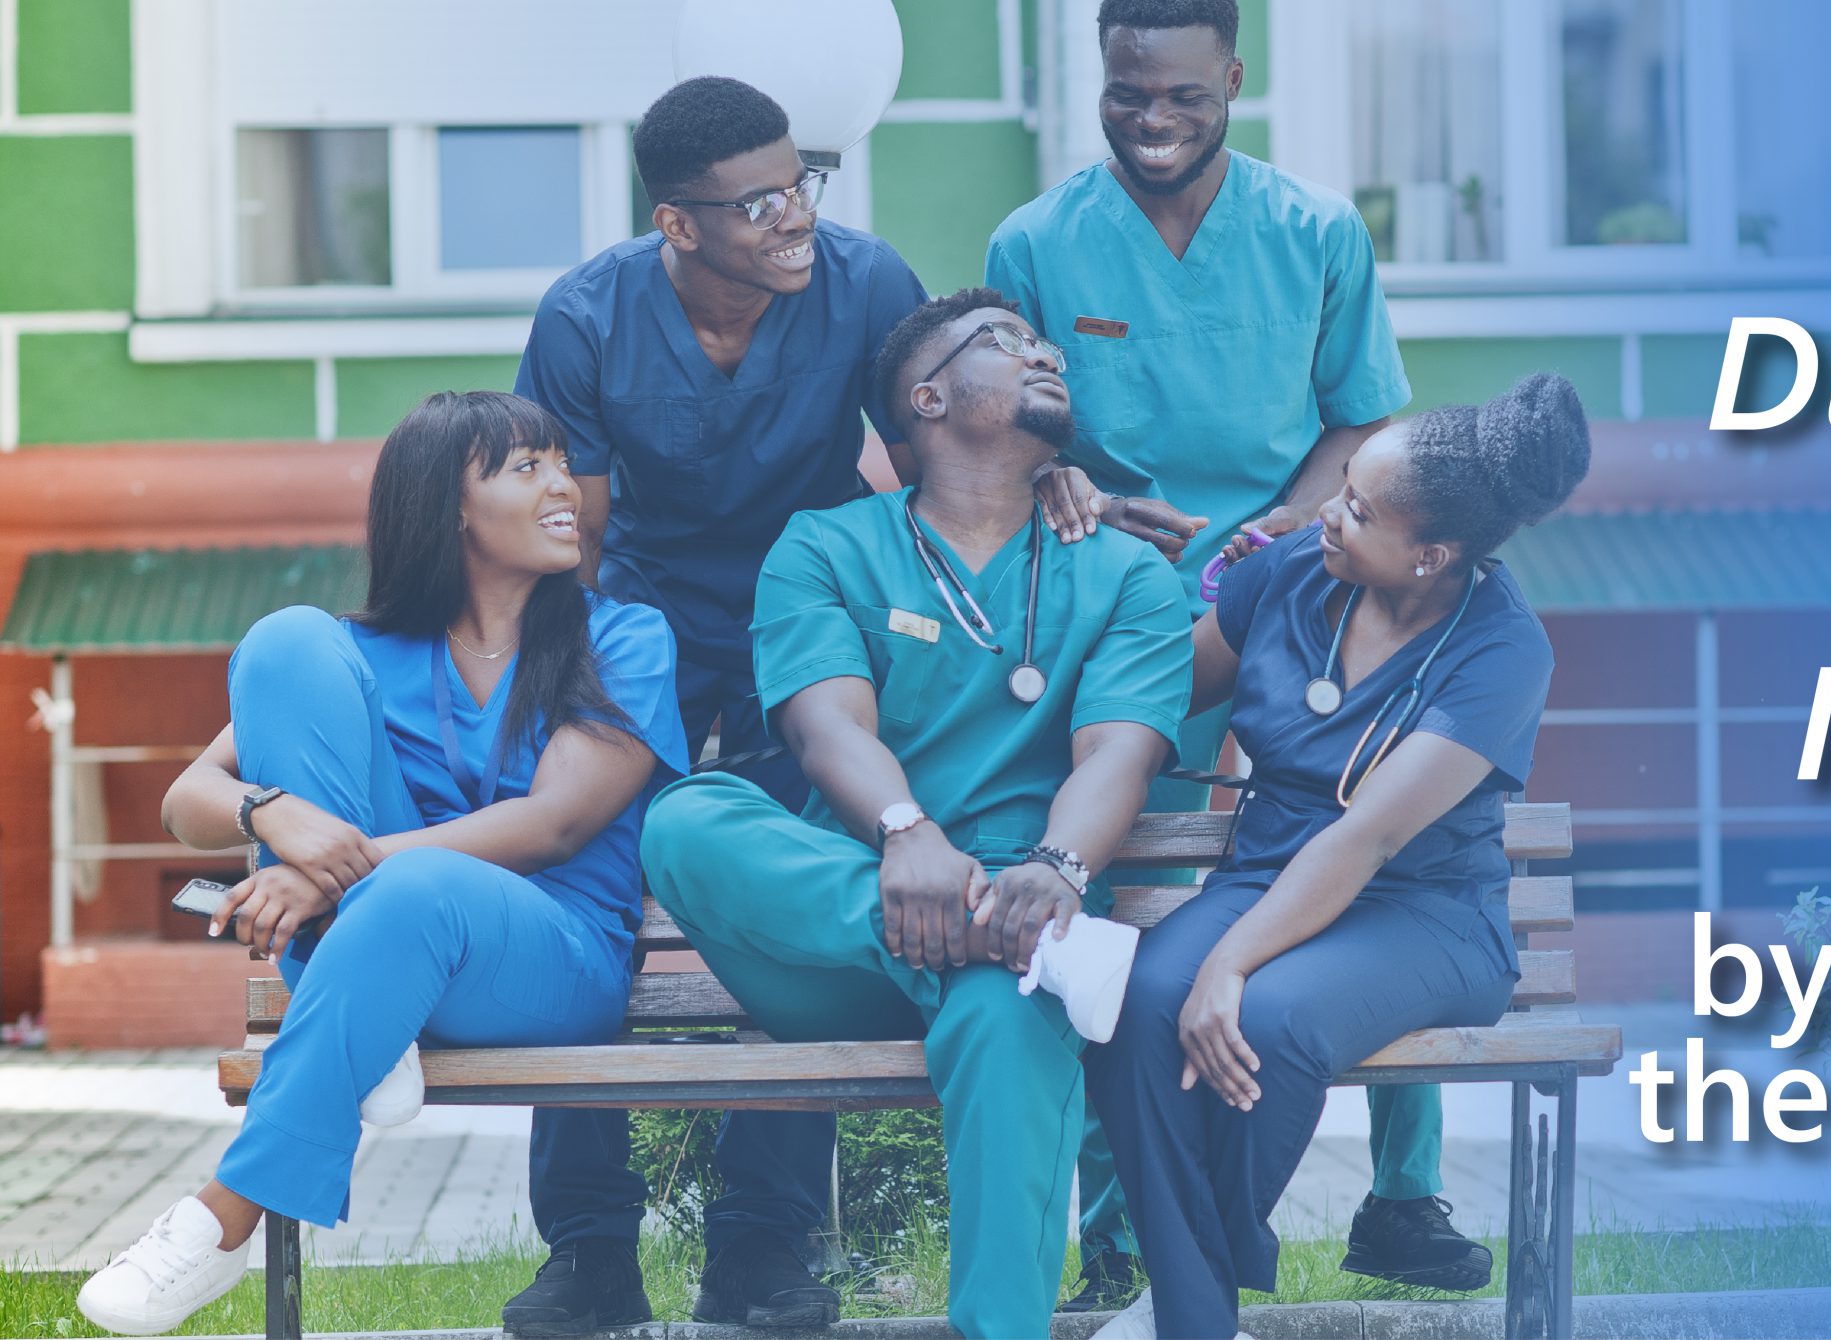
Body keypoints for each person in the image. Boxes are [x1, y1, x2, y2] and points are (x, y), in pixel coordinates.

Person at [983, 0, 1471, 1305]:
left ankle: (1405, 1196)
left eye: (1184, 99)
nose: (1152, 121)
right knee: (1119, 883)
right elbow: (1015, 434)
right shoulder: (1035, 243)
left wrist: (1273, 540)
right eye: (1128, 94)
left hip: (1306, 580)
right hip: (1127, 614)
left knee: (1372, 855)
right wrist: (1066, 484)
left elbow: (1364, 426)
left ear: (1235, 83)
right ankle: (1114, 1230)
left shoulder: (1315, 231)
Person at [638, 288, 1192, 1340]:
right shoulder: (825, 546)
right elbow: (823, 726)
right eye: (1005, 342)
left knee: (1007, 1013)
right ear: (926, 396)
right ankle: (985, 936)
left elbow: (1118, 748)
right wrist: (907, 832)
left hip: (1034, 905)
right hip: (845, 935)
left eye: (1047, 342)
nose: (1043, 354)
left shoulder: (1126, 574)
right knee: (687, 818)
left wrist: (1061, 869)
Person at [74, 392, 688, 1338]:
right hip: (390, 932)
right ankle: (373, 1017)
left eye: (563, 463)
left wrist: (326, 876)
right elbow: (186, 798)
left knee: (412, 884)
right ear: (450, 505)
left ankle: (222, 1215)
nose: (566, 486)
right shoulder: (371, 652)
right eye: (527, 468)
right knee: (284, 639)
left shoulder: (623, 637)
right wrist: (269, 811)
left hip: (551, 957)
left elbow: (555, 824)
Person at [508, 75, 926, 1333]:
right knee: (581, 882)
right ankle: (588, 1249)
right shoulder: (586, 315)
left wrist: (1053, 480)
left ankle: (763, 1247)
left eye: (799, 181)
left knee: (794, 912)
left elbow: (937, 469)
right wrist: (572, 711)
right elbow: (568, 532)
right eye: (757, 203)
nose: (793, 215)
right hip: (639, 616)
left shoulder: (867, 282)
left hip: (810, 608)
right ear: (677, 223)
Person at [1085, 374, 1592, 1340]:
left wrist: (1230, 962)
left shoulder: (1499, 651)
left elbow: (1370, 835)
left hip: (1425, 918)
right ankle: (1195, 1309)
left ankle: (1181, 1311)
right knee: (1141, 1003)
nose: (1329, 512)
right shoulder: (1291, 572)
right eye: (1341, 485)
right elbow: (1163, 695)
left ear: (1431, 555)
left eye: (1358, 508)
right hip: (1264, 880)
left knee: (1267, 1020)